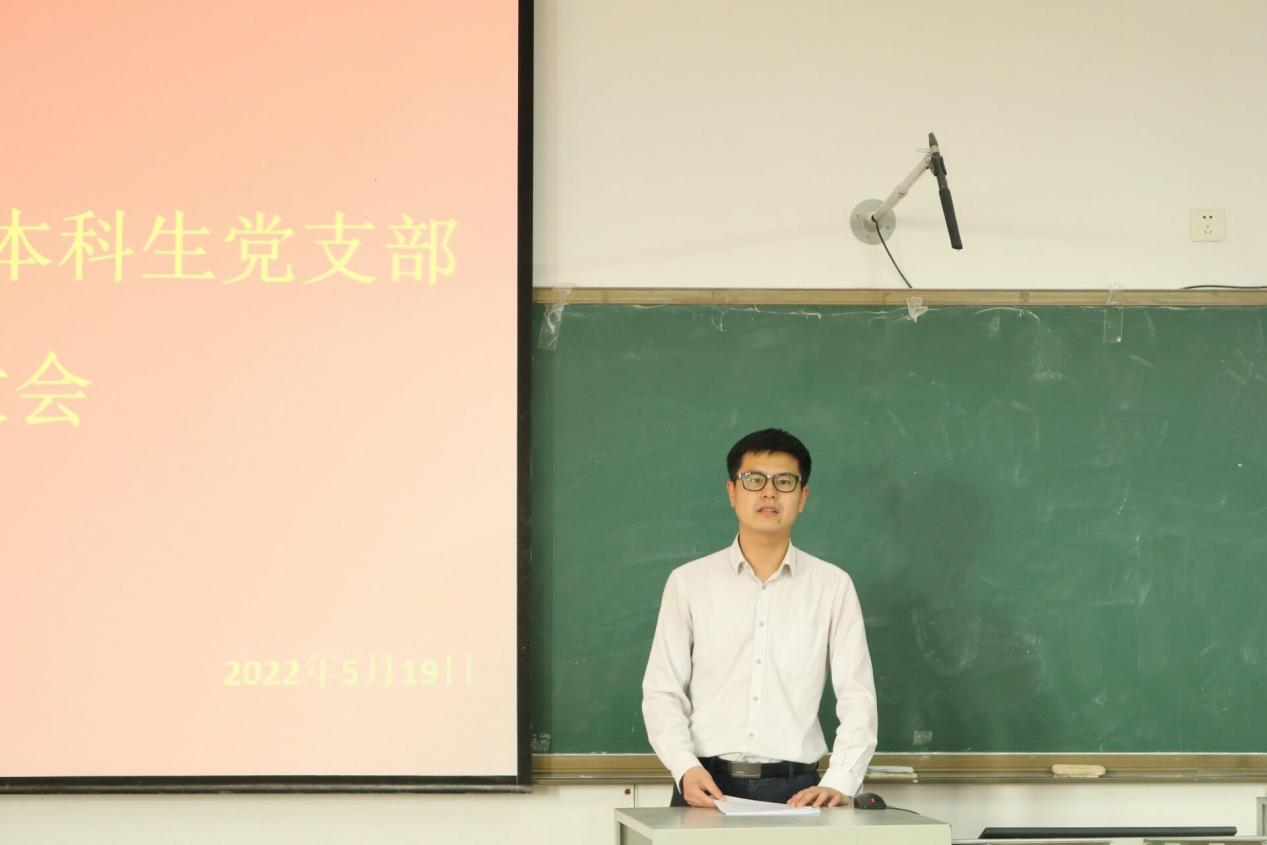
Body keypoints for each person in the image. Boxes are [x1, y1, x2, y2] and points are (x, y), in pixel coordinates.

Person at [641, 428, 877, 809]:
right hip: (704, 786)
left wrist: (841, 780)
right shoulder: (689, 583)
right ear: (732, 492)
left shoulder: (832, 586)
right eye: (754, 480)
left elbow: (857, 696)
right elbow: (662, 690)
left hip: (797, 792)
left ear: (802, 497)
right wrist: (684, 766)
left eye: (784, 481)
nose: (769, 492)